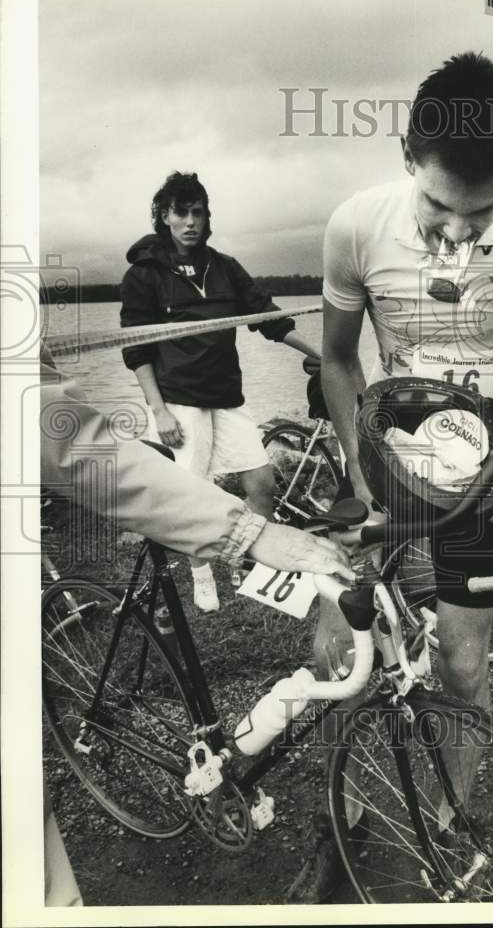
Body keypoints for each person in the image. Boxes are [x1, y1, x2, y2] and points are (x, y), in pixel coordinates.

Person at [289, 52, 493, 901]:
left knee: (463, 665)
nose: (457, 232)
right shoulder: (353, 226)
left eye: (482, 211)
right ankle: (346, 808)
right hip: (380, 457)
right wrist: (361, 477)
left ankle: (447, 814)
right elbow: (334, 359)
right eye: (437, 205)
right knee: (338, 646)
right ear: (405, 155)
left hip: (482, 473)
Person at [39, 350, 354, 905]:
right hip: (171, 414)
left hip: (209, 403)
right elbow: (54, 434)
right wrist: (251, 535)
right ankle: (175, 605)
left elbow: (50, 413)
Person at [120, 171, 319, 613]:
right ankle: (200, 573)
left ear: (207, 217)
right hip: (178, 399)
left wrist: (318, 353)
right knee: (195, 493)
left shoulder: (225, 266)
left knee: (261, 482)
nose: (191, 221)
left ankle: (255, 564)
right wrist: (159, 411)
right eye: (181, 212)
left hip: (226, 395)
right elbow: (137, 349)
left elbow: (269, 318)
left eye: (198, 212)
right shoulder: (144, 274)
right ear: (165, 216)